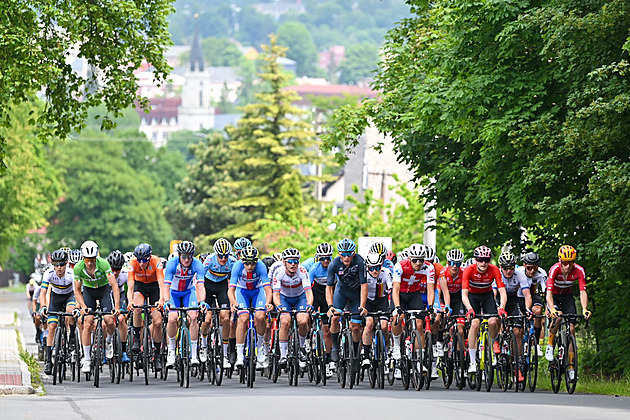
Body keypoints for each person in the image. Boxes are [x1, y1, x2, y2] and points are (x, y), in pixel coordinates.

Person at [73, 240, 121, 374]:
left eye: (92, 260)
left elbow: (114, 286)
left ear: (96, 257)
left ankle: (109, 341)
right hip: (89, 292)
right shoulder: (78, 268)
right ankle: (87, 359)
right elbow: (77, 291)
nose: (89, 263)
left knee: (109, 320)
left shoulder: (103, 264)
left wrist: (116, 306)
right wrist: (82, 306)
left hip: (103, 290)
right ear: (83, 258)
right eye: (87, 260)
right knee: (87, 323)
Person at [544, 245, 591, 381]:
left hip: (567, 297)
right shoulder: (554, 269)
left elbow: (583, 292)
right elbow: (548, 294)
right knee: (557, 318)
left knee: (571, 329)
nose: (567, 266)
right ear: (560, 261)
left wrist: (584, 309)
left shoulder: (579, 270)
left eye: (570, 263)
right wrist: (552, 309)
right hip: (554, 297)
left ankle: (570, 367)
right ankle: (550, 344)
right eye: (564, 263)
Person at [390, 243, 435, 376]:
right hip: (401, 295)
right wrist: (397, 307)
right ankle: (397, 346)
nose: (418, 263)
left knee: (420, 324)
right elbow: (395, 289)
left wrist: (431, 307)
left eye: (421, 260)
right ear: (409, 258)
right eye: (415, 260)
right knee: (399, 318)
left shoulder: (429, 267)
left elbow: (430, 290)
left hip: (414, 294)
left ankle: (419, 359)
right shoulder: (400, 265)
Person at [462, 245, 507, 375]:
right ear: (476, 259)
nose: (483, 263)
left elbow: (502, 291)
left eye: (486, 260)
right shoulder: (469, 270)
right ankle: (472, 362)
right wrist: (469, 309)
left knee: (493, 322)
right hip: (473, 297)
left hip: (487, 296)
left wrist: (502, 308)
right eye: (481, 259)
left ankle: (492, 348)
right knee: (475, 324)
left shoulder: (494, 270)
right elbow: (464, 294)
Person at [164, 241, 208, 368]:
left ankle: (194, 354)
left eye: (189, 256)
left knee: (193, 316)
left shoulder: (197, 264)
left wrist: (201, 302)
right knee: (172, 319)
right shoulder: (172, 264)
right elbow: (166, 286)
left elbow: (200, 286)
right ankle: (171, 351)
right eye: (184, 256)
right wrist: (166, 301)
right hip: (174, 293)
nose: (187, 259)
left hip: (189, 292)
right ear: (179, 256)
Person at [326, 238, 368, 371]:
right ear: (339, 254)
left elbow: (364, 285)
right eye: (343, 254)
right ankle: (335, 348)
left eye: (349, 254)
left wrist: (362, 305)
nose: (346, 257)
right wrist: (330, 306)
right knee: (334, 317)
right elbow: (329, 287)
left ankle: (355, 351)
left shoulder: (360, 262)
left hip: (356, 294)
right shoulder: (334, 264)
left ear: (353, 253)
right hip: (342, 292)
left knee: (355, 326)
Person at [228, 246, 273, 368]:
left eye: (253, 263)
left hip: (257, 291)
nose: (250, 266)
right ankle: (239, 356)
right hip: (242, 291)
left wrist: (268, 303)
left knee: (260, 317)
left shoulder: (261, 266)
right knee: (243, 319)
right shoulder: (237, 266)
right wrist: (234, 303)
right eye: (247, 263)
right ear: (242, 261)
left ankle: (260, 348)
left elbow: (267, 289)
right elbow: (231, 290)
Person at [127, 243, 166, 371]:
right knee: (137, 307)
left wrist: (161, 299)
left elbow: (161, 285)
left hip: (154, 287)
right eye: (139, 260)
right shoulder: (133, 263)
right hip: (140, 286)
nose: (141, 263)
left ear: (149, 257)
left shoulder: (156, 262)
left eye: (144, 260)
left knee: (158, 322)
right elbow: (130, 287)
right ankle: (137, 338)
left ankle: (157, 355)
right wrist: (130, 301)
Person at [273, 248, 313, 368]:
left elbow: (308, 292)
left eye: (296, 261)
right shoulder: (278, 272)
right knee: (285, 321)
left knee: (303, 320)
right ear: (284, 262)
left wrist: (310, 304)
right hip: (284, 298)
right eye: (290, 261)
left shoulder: (302, 271)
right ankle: (283, 355)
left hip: (300, 297)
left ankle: (301, 347)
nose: (293, 264)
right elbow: (275, 294)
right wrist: (278, 305)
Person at [39, 249, 77, 375]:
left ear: (66, 263)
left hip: (69, 296)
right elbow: (43, 292)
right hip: (56, 298)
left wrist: (77, 308)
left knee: (70, 311)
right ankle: (49, 361)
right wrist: (44, 306)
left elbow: (77, 293)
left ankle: (71, 335)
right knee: (52, 326)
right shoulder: (49, 273)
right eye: (56, 264)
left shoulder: (71, 274)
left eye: (61, 264)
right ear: (52, 264)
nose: (59, 267)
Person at [200, 238, 237, 369]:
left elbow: (235, 282)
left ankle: (225, 352)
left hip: (222, 287)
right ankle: (204, 345)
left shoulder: (233, 262)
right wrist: (201, 299)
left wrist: (234, 301)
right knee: (207, 319)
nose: (223, 259)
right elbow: (199, 278)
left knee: (226, 317)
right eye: (220, 256)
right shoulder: (209, 260)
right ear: (216, 254)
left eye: (226, 256)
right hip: (208, 287)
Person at [497, 251, 527, 382]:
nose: (508, 271)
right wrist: (499, 309)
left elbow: (527, 294)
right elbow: (494, 294)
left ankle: (517, 365)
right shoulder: (497, 274)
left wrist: (528, 310)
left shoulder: (520, 273)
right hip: (499, 298)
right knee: (497, 319)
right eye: (505, 268)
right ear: (501, 267)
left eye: (511, 268)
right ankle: (497, 340)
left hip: (513, 300)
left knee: (516, 332)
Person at [361, 252, 392, 368]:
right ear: (367, 267)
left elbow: (391, 291)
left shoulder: (386, 273)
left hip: (381, 300)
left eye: (377, 267)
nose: (375, 271)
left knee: (384, 326)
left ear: (382, 265)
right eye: (372, 268)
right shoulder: (363, 274)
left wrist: (392, 307)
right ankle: (366, 356)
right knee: (369, 324)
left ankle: (387, 349)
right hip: (367, 301)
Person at [308, 242, 334, 375]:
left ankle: (328, 359)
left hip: (328, 295)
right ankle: (307, 337)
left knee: (327, 330)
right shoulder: (314, 268)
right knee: (306, 315)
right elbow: (308, 288)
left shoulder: (334, 267)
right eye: (322, 258)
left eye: (328, 258)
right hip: (316, 293)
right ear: (318, 258)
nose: (325, 261)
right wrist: (309, 305)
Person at [516, 252, 547, 356]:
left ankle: (537, 343)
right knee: (518, 325)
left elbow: (546, 292)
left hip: (533, 295)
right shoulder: (517, 271)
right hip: (519, 297)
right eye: (529, 268)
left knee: (538, 311)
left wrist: (548, 308)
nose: (532, 271)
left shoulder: (542, 273)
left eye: (535, 268)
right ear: (524, 265)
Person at [107, 250, 130, 364]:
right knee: (104, 321)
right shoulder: (104, 273)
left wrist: (130, 303)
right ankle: (106, 344)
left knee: (121, 319)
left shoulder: (126, 273)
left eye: (118, 270)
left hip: (120, 295)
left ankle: (124, 350)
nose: (115, 273)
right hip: (106, 294)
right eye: (113, 270)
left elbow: (131, 289)